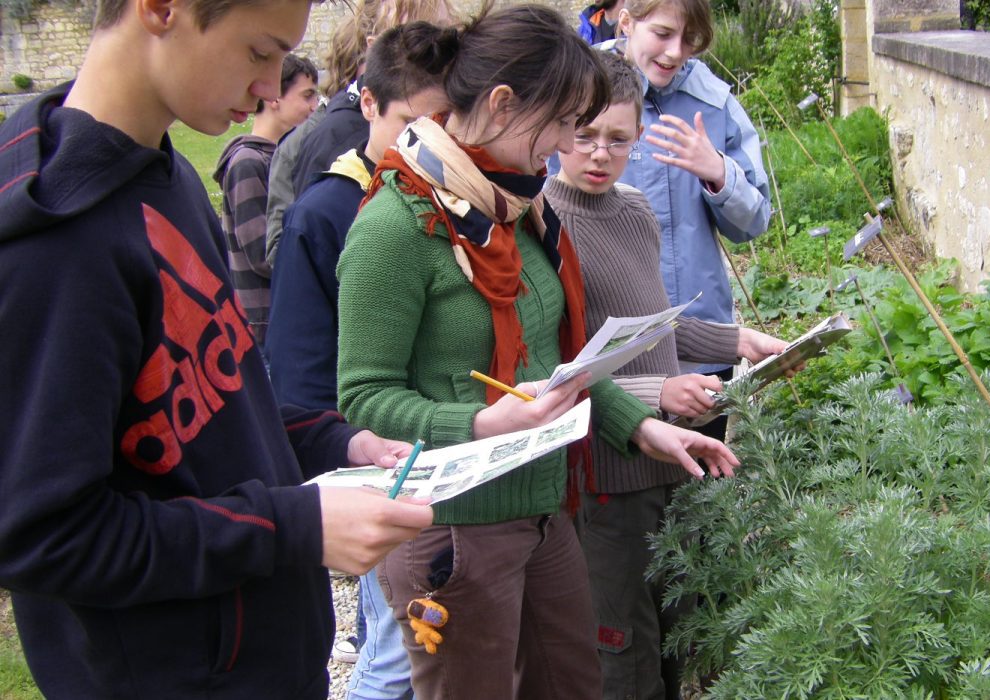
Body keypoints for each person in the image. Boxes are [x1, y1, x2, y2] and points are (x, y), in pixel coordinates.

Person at [0, 0, 434, 696]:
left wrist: (332, 442)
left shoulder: (160, 171)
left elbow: (210, 404)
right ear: (160, 10)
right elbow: (46, 536)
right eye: (260, 53)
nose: (273, 86)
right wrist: (291, 526)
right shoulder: (56, 248)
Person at [335, 6, 739, 698]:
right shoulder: (395, 228)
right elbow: (363, 397)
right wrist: (479, 422)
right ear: (500, 105)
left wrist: (644, 428)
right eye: (560, 124)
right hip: (453, 534)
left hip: (543, 512)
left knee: (575, 684)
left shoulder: (516, 210)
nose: (562, 145)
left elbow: (560, 367)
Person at [544, 50, 787, 700]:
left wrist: (738, 338)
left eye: (618, 139)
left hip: (669, 457)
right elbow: (552, 370)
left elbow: (654, 327)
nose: (600, 152)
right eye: (584, 134)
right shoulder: (543, 224)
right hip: (603, 471)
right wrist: (656, 392)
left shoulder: (632, 211)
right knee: (622, 648)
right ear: (556, 129)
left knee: (677, 627)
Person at [267, 25, 450, 700]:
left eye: (441, 124)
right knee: (396, 648)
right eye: (408, 124)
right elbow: (298, 364)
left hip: (439, 447)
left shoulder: (445, 193)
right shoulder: (330, 209)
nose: (426, 142)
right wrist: (342, 458)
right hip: (370, 453)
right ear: (367, 104)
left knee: (427, 635)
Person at [605, 0, 772, 438]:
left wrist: (718, 173)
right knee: (630, 488)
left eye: (690, 40)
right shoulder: (588, 91)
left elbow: (753, 221)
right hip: (615, 348)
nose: (675, 52)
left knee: (702, 481)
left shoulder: (713, 102)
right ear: (627, 23)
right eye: (662, 34)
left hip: (704, 344)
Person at [263, 0, 453, 267]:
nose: (434, 55)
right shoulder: (337, 140)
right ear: (377, 48)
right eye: (414, 42)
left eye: (442, 38)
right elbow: (302, 253)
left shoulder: (450, 130)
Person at [214, 52, 318, 347]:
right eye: (307, 96)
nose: (314, 107)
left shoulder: (285, 158)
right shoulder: (248, 162)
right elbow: (262, 254)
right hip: (264, 326)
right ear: (274, 98)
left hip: (288, 318)